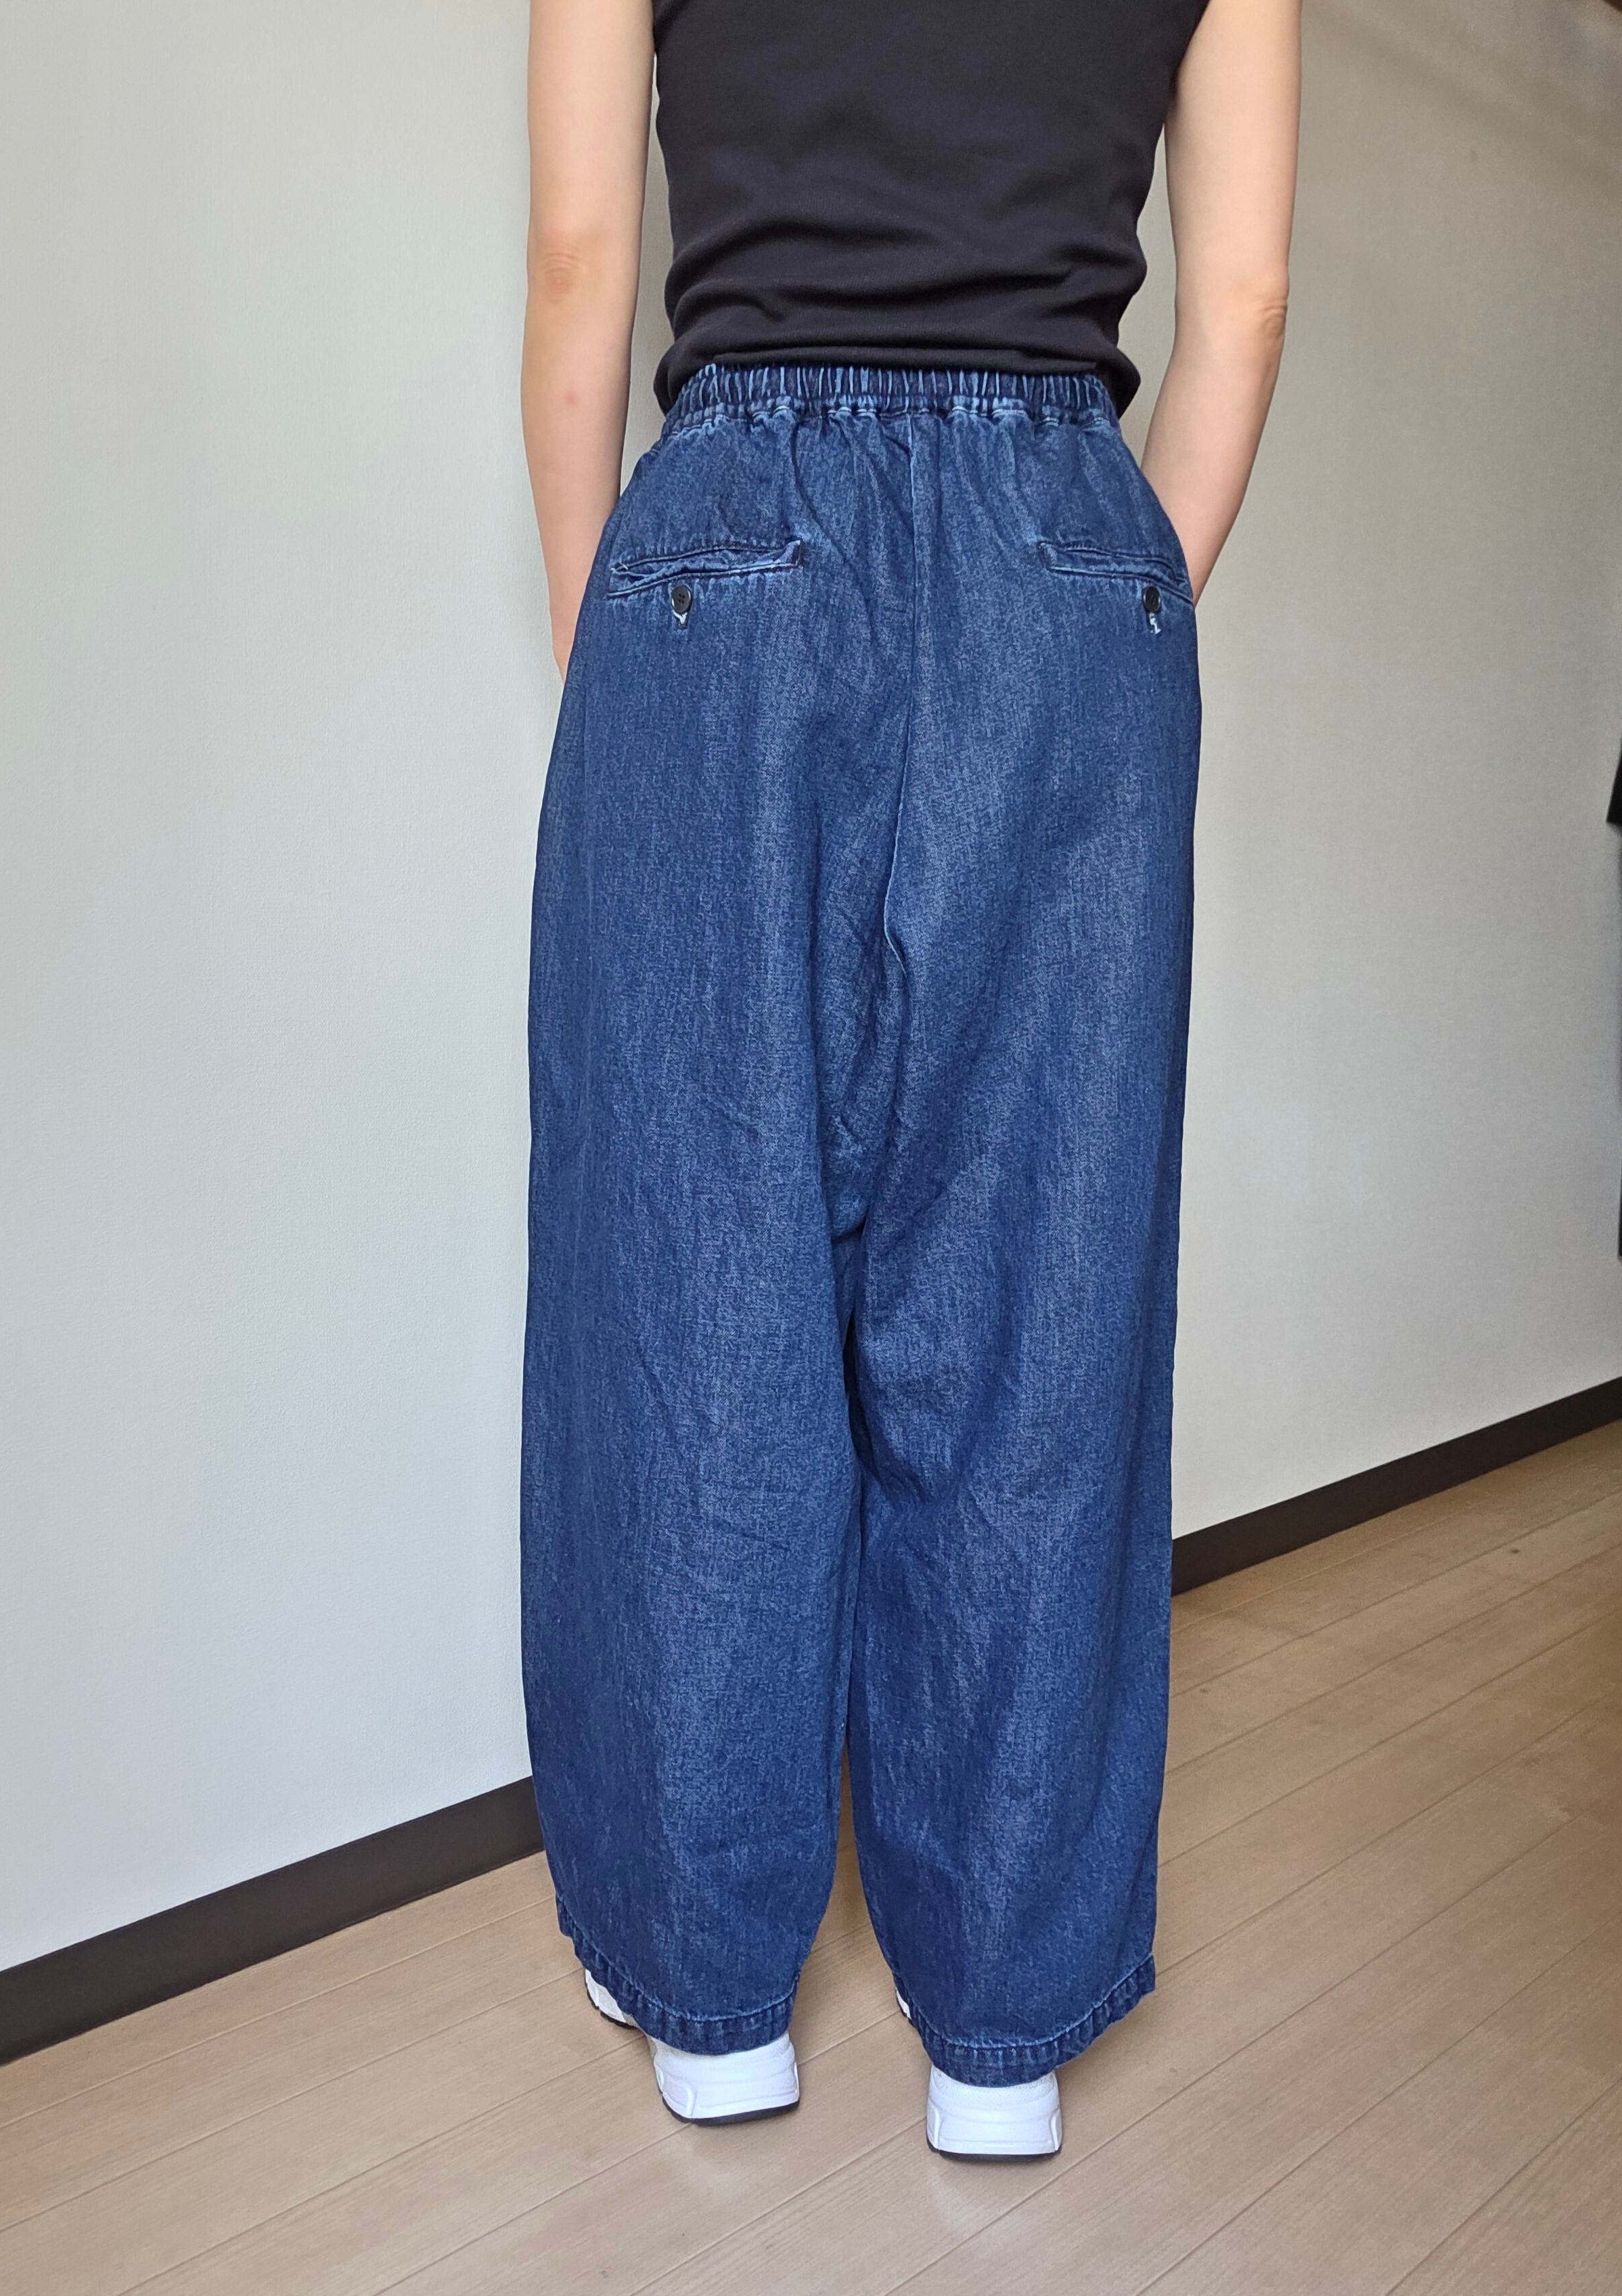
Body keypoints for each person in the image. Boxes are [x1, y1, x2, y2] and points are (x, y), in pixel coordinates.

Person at [518, 0, 1299, 2159]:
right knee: (1040, 1303)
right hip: (1067, 533)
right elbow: (1241, 298)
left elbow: (581, 266)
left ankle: (711, 2002)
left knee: (697, 1287)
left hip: (728, 548)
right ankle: (1003, 2041)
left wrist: (618, 640)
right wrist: (1110, 604)